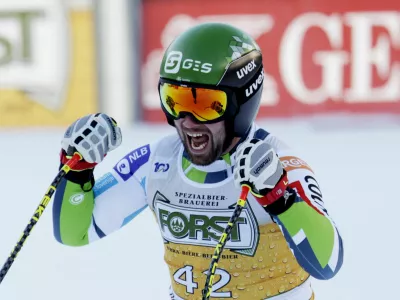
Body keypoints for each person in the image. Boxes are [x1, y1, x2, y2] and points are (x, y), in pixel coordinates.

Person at [53, 23, 344, 300]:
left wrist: (279, 198)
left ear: (240, 103)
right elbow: (75, 231)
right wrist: (77, 171)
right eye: (174, 101)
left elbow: (328, 263)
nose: (187, 121)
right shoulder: (158, 162)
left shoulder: (279, 165)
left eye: (204, 105)